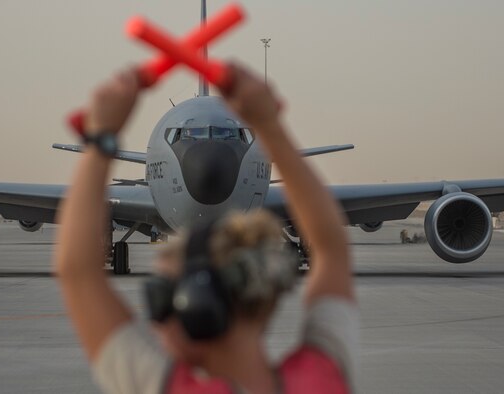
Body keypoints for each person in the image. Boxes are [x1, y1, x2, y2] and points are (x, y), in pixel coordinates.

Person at [54, 64, 358, 393]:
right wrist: (269, 125)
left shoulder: (162, 386)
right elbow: (331, 250)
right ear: (263, 303)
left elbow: (77, 272)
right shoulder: (320, 379)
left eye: (162, 295)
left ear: (191, 309)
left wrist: (101, 138)